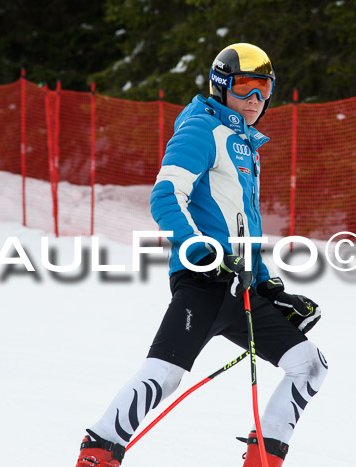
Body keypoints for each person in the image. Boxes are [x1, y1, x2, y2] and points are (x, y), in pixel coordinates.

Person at [75, 43, 327, 467]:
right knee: (165, 374)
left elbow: (244, 227)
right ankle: (98, 454)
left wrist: (270, 286)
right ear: (221, 85)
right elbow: (166, 196)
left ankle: (262, 461)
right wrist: (198, 247)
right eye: (245, 86)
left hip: (240, 287)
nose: (255, 99)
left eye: (263, 89)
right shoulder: (200, 130)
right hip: (204, 283)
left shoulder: (246, 146)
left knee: (309, 365)